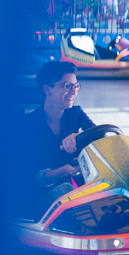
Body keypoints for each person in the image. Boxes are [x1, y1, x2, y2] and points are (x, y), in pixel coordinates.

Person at [25, 61, 96, 209]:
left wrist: (78, 135)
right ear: (47, 89)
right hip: (41, 197)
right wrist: (65, 170)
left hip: (73, 192)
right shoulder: (29, 124)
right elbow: (33, 178)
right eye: (67, 86)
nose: (73, 92)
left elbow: (97, 135)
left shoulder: (75, 114)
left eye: (76, 86)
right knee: (66, 190)